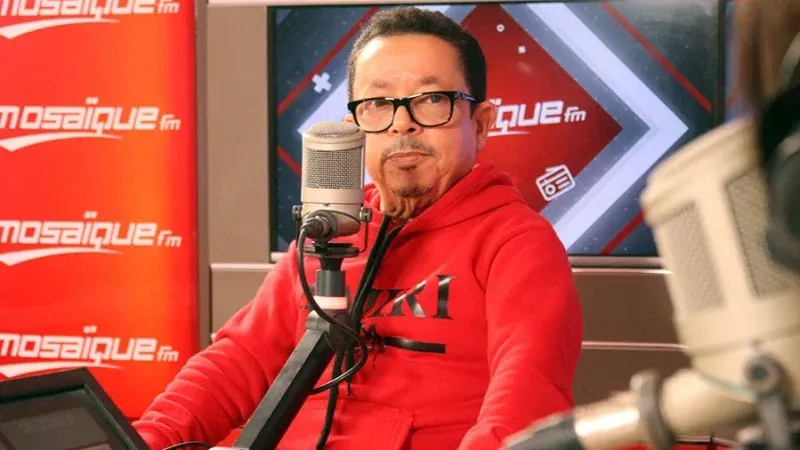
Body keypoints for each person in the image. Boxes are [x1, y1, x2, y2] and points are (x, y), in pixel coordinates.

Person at [133, 7, 583, 449]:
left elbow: (524, 406)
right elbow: (239, 362)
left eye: (432, 99)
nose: (402, 123)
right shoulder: (328, 232)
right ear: (354, 128)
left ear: (480, 124)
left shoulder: (517, 243)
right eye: (379, 104)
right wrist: (146, 440)